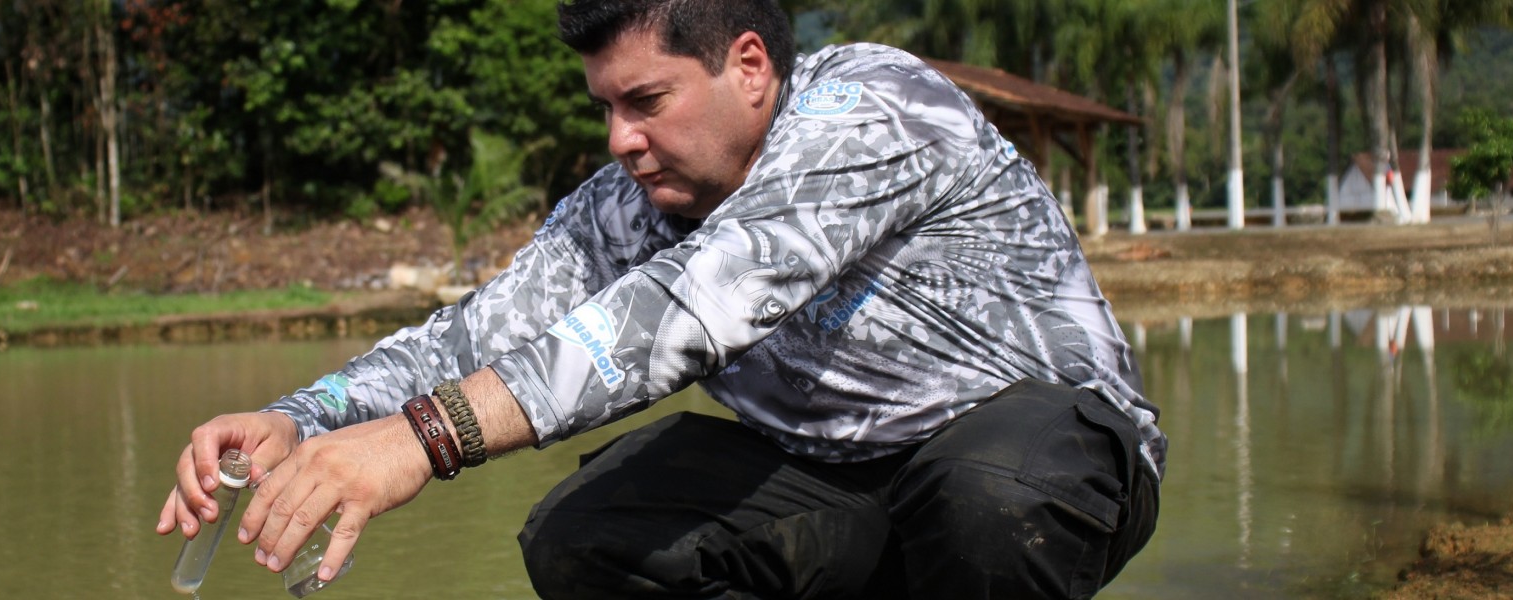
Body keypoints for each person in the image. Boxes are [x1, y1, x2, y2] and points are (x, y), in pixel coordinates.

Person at [154, 1, 1165, 597]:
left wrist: (422, 440)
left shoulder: (871, 106)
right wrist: (301, 417)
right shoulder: (626, 207)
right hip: (843, 484)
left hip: (1044, 464)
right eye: (605, 108)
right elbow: (474, 334)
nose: (618, 140)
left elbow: (698, 302)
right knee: (585, 532)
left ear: (750, 67)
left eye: (646, 102)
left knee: (990, 493)